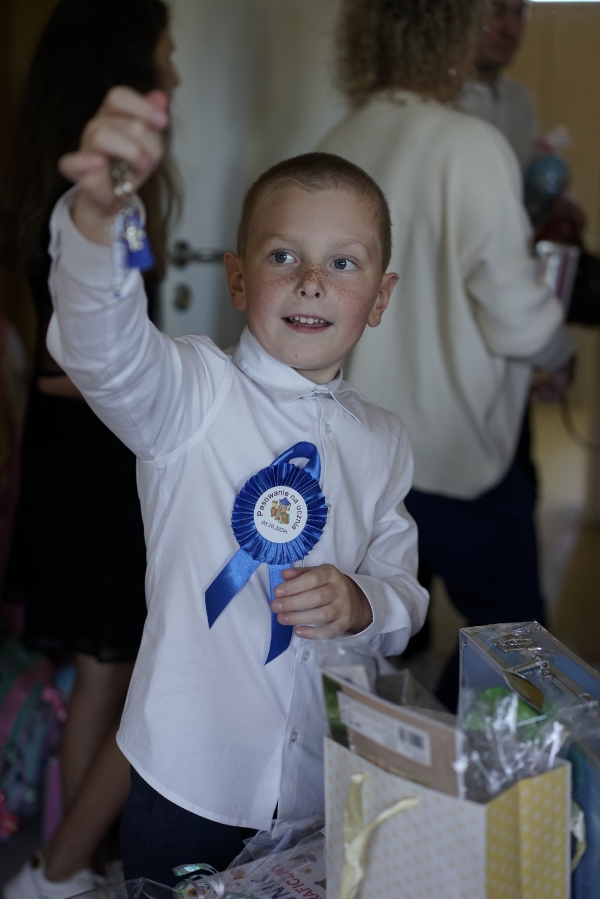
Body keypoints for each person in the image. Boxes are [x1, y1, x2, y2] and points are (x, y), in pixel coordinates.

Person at [43, 86, 429, 885]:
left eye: (343, 262)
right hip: (189, 781)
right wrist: (96, 221)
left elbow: (405, 593)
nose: (311, 280)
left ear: (380, 298)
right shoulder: (192, 394)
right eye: (283, 255)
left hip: (319, 782)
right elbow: (102, 349)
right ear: (239, 278)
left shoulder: (385, 439)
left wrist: (362, 600)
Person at [318, 0, 575, 711]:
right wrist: (559, 351)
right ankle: (474, 774)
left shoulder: (341, 138)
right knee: (513, 647)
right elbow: (518, 318)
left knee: (379, 641)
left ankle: (390, 769)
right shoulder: (469, 144)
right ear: (454, 33)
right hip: (456, 454)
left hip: (362, 452)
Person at [1, 3, 180, 897]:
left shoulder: (66, 174)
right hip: (94, 455)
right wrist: (171, 371)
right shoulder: (93, 190)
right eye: (165, 55)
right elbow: (68, 367)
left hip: (81, 451)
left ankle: (71, 861)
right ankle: (60, 866)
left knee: (106, 672)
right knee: (130, 673)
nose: (174, 75)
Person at [460, 0, 538, 168]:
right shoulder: (437, 101)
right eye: (495, 10)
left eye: (519, 12)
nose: (511, 30)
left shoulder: (519, 99)